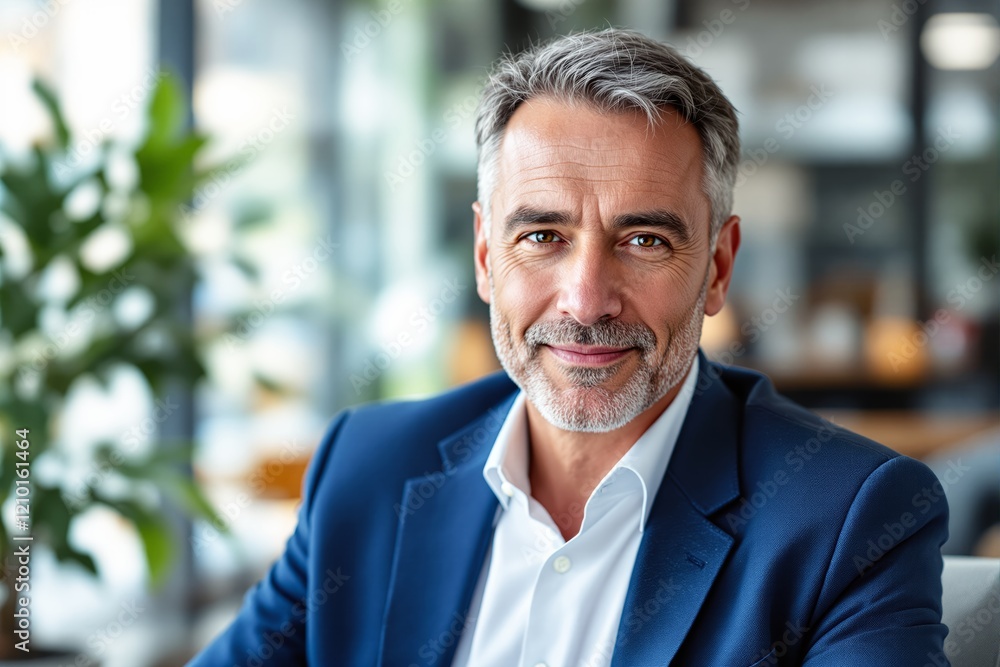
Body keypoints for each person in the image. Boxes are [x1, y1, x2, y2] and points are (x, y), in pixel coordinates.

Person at [188, 28, 949, 667]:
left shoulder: (851, 517)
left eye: (643, 239)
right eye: (543, 236)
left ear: (717, 267)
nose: (585, 300)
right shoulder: (369, 467)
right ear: (487, 256)